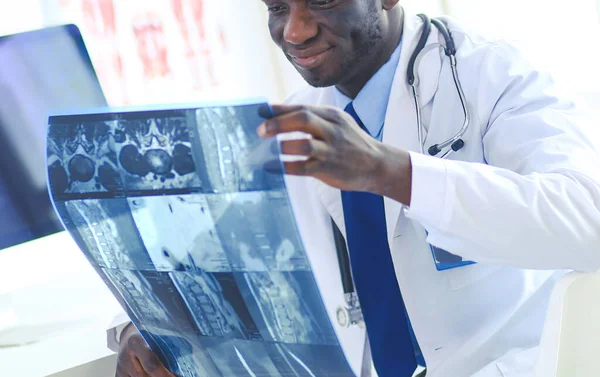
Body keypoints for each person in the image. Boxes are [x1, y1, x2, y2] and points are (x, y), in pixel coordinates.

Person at [111, 1, 600, 376]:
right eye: (277, 7)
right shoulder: (296, 122)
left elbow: (588, 220)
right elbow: (215, 262)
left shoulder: (494, 77)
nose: (295, 31)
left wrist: (392, 171)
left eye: (321, 1)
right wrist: (149, 328)